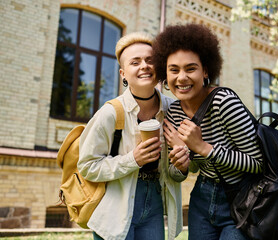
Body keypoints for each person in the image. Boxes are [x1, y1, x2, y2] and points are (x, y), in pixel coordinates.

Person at [152, 24, 264, 240]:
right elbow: (184, 171)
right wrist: (181, 161)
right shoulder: (174, 112)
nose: (181, 77)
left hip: (240, 198)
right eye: (174, 69)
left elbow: (257, 162)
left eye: (190, 68)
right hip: (201, 199)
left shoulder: (224, 103)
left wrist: (202, 147)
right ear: (165, 73)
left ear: (205, 71)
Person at [78, 32, 183, 240]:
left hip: (155, 203)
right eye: (135, 62)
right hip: (114, 208)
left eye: (150, 60)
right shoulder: (111, 113)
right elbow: (87, 166)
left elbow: (177, 172)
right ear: (123, 73)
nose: (144, 65)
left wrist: (182, 164)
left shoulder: (173, 110)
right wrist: (132, 160)